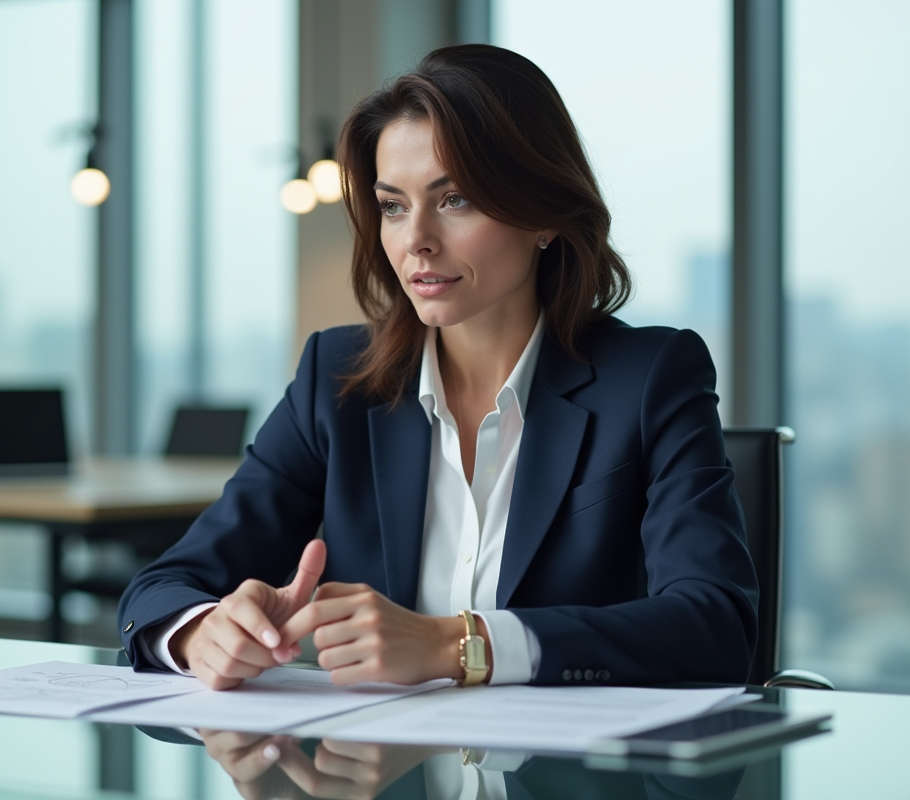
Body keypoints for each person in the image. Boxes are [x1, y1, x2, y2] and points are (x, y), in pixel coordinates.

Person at [118, 44, 758, 693]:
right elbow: (162, 587)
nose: (416, 238)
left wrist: (460, 643)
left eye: (454, 200)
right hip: (377, 773)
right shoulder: (335, 380)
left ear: (542, 214)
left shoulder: (650, 378)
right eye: (393, 205)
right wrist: (202, 631)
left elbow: (716, 627)